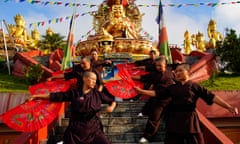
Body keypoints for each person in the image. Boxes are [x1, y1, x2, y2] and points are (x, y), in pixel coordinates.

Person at [135, 63, 238, 144]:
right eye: (176, 71)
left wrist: (228, 106)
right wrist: (141, 91)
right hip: (174, 121)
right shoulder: (172, 87)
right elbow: (157, 93)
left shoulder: (195, 86)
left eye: (180, 71)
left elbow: (212, 97)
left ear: (188, 71)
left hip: (190, 120)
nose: (177, 73)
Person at [30, 71, 117, 144]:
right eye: (92, 79)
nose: (94, 82)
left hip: (93, 129)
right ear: (84, 79)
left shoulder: (97, 95)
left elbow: (112, 101)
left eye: (95, 80)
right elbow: (56, 96)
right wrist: (37, 96)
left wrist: (112, 107)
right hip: (76, 129)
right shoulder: (74, 93)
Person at [132, 57, 176, 143]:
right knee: (153, 119)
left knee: (172, 120)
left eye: (160, 65)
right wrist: (130, 77)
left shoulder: (171, 75)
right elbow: (143, 77)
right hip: (158, 100)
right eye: (157, 66)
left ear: (165, 65)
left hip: (169, 100)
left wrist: (141, 91)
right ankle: (148, 137)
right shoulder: (155, 74)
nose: (158, 67)